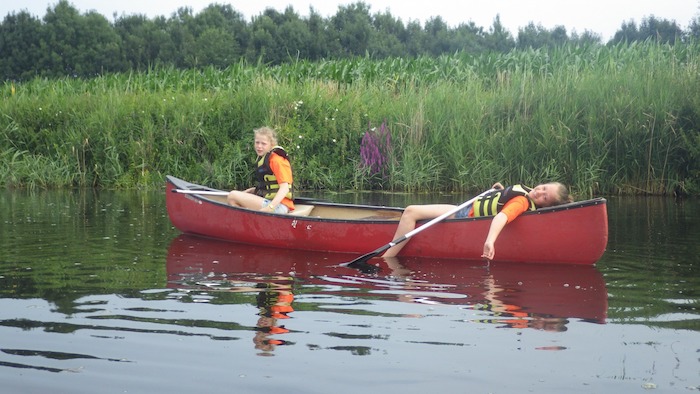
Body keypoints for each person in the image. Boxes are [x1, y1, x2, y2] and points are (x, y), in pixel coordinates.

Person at [382, 182, 573, 260]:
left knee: (410, 212)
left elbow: (501, 216)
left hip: (462, 216)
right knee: (410, 213)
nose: (539, 192)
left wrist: (489, 241)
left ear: (545, 206)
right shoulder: (526, 194)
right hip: (466, 210)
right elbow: (504, 202)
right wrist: (500, 190)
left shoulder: (522, 202)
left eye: (544, 198)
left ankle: (386, 259)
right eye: (543, 188)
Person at [227, 127, 295, 214]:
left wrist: (270, 208)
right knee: (237, 196)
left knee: (232, 196)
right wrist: (253, 190)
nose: (259, 146)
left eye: (263, 144)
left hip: (280, 206)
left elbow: (284, 188)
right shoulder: (265, 158)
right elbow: (269, 186)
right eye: (257, 142)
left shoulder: (277, 160)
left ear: (271, 144)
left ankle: (244, 223)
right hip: (272, 203)